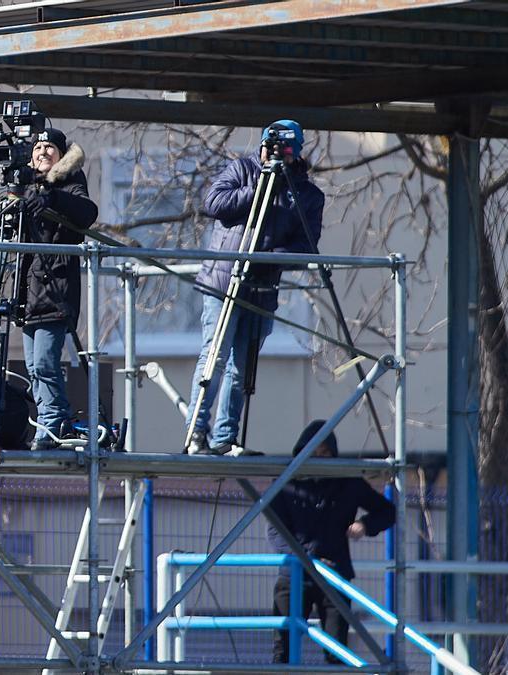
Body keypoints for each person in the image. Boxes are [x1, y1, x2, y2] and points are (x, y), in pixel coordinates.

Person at [185, 120, 325, 455]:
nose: (271, 154)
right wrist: (260, 187)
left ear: (295, 152)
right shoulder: (242, 169)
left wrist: (268, 257)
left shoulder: (307, 194)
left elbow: (306, 249)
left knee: (241, 368)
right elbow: (213, 204)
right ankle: (196, 433)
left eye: (280, 149)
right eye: (267, 146)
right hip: (224, 282)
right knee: (215, 358)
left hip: (262, 286)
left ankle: (225, 438)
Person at [267, 420, 395, 664]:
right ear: (301, 451)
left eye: (324, 452)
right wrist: (304, 561)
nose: (318, 457)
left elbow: (387, 511)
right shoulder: (286, 484)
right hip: (294, 575)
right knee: (283, 650)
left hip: (334, 574)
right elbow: (275, 531)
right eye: (313, 452)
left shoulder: (348, 482)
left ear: (334, 453)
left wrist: (365, 525)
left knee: (337, 652)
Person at [18, 128, 98, 450]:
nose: (41, 153)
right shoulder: (24, 187)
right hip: (28, 290)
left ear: (61, 154)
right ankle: (51, 420)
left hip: (57, 287)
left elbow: (87, 213)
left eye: (49, 148)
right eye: (37, 148)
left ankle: (52, 424)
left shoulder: (70, 183)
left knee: (46, 363)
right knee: (33, 367)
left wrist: (53, 198)